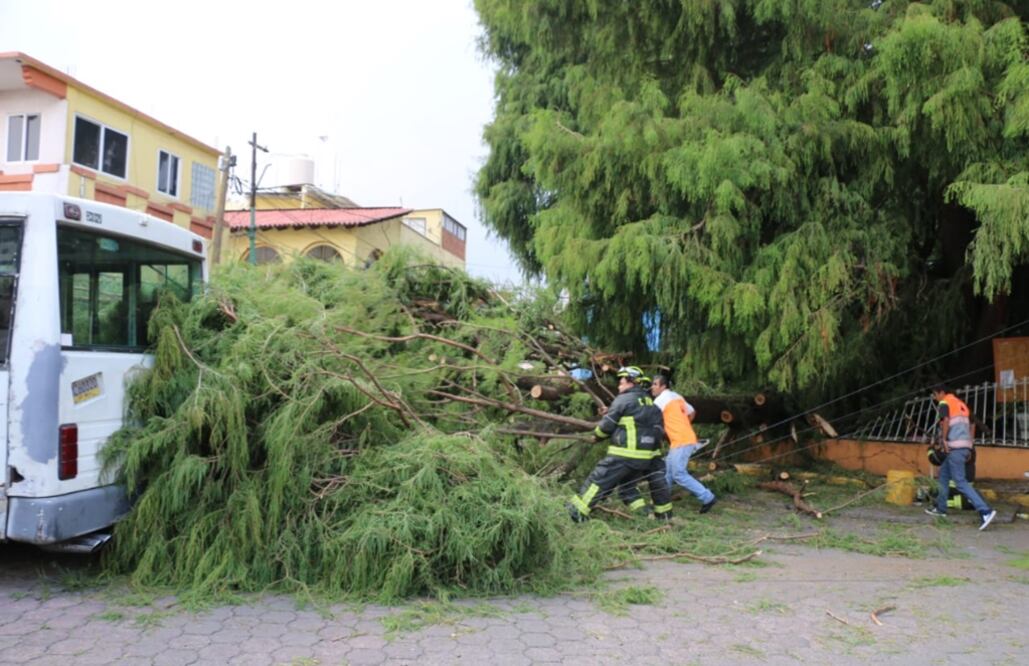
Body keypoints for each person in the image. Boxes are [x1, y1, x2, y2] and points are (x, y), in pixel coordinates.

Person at [569, 366, 673, 522]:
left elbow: (606, 427)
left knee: (598, 479)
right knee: (627, 487)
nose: (619, 386)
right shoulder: (652, 404)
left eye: (621, 382)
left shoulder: (623, 399)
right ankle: (651, 515)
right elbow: (651, 429)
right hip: (647, 456)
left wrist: (596, 436)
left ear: (631, 382)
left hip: (624, 454)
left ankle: (576, 512)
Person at [925, 384, 996, 530]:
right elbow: (971, 425)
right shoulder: (961, 404)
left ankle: (985, 511)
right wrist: (969, 445)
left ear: (942, 392)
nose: (935, 398)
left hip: (955, 448)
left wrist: (944, 440)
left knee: (960, 482)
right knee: (943, 475)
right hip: (963, 447)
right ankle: (940, 508)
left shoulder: (945, 403)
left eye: (935, 394)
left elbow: (945, 421)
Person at [651, 374, 717, 514]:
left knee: (678, 474)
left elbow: (649, 416)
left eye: (655, 384)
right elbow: (692, 412)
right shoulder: (676, 396)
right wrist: (682, 425)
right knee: (668, 473)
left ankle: (707, 497)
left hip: (682, 440)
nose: (652, 387)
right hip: (681, 439)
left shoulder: (661, 399)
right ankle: (663, 501)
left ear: (663, 386)